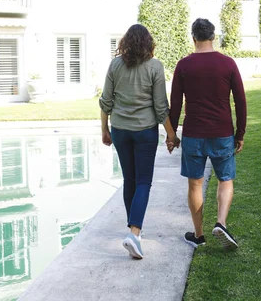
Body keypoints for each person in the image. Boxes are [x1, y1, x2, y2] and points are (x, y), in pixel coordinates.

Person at [99, 24, 180, 260]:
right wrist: (172, 136)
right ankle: (134, 233)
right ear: (148, 43)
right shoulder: (155, 67)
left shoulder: (115, 65)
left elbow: (106, 102)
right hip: (145, 132)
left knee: (130, 180)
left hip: (121, 130)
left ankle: (134, 232)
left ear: (126, 42)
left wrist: (104, 129)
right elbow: (160, 108)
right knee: (143, 181)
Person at [169, 18, 247, 250]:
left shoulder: (183, 65)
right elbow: (240, 101)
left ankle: (199, 235)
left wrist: (172, 135)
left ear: (193, 38)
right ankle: (221, 223)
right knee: (226, 179)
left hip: (193, 133)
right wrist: (240, 133)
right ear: (213, 37)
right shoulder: (228, 64)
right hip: (222, 133)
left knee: (195, 184)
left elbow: (175, 104)